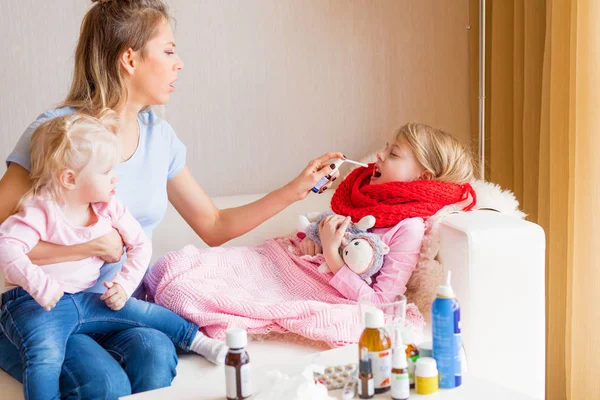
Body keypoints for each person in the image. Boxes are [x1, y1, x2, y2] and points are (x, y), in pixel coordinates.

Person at [0, 0, 342, 398]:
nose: (179, 63)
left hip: (116, 305)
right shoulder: (58, 133)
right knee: (103, 383)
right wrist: (93, 245)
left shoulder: (158, 137)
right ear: (130, 58)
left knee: (156, 354)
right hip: (48, 307)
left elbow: (213, 226)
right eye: (168, 50)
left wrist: (294, 190)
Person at [300, 122, 477, 301]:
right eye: (386, 148)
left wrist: (332, 257)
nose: (380, 155)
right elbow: (331, 231)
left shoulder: (408, 228)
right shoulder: (361, 200)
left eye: (393, 154)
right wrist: (314, 238)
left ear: (422, 177)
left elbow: (382, 302)